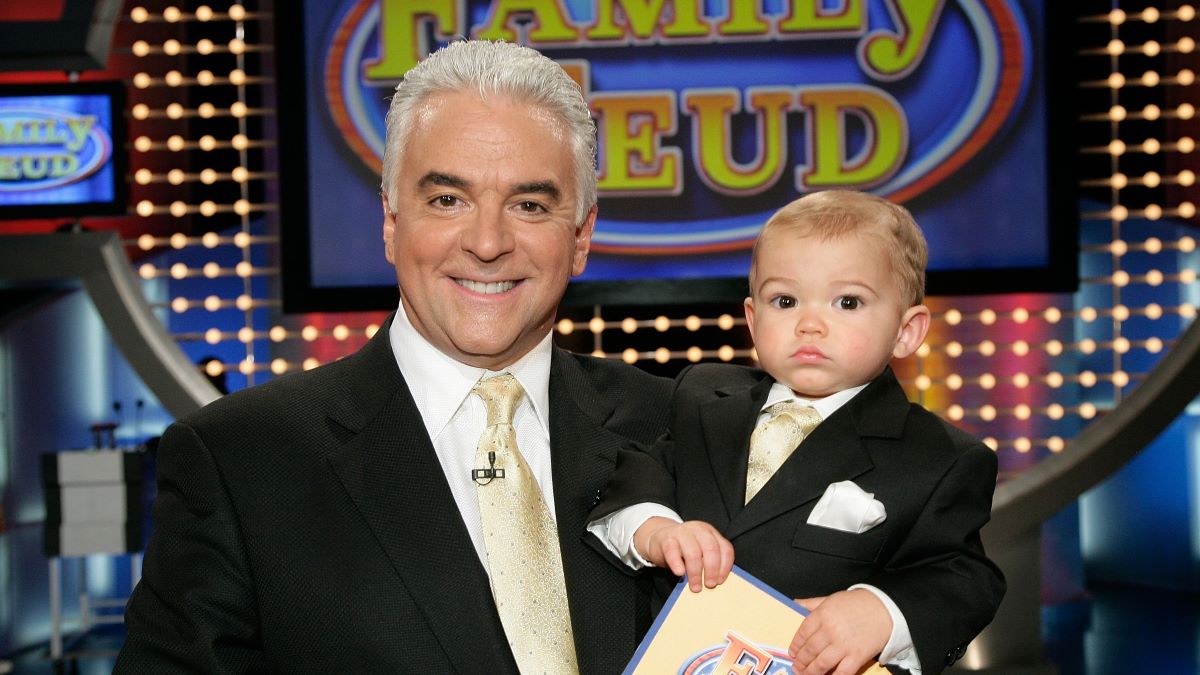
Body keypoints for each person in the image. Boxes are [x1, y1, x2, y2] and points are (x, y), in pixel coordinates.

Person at [115, 40, 680, 674]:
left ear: (580, 238)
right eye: (447, 200)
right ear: (390, 222)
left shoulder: (683, 429)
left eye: (529, 205)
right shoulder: (240, 460)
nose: (488, 242)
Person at [592, 190, 1005, 675]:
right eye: (785, 300)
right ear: (752, 319)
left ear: (906, 330)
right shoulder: (702, 395)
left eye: (847, 302)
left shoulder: (940, 457)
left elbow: (965, 578)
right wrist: (655, 530)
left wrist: (882, 613)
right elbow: (641, 474)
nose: (810, 324)